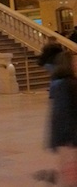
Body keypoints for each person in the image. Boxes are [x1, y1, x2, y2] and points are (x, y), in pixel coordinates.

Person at [34, 51, 77, 186]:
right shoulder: (69, 85)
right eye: (74, 62)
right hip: (69, 137)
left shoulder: (58, 83)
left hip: (64, 136)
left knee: (68, 169)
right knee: (70, 172)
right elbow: (65, 113)